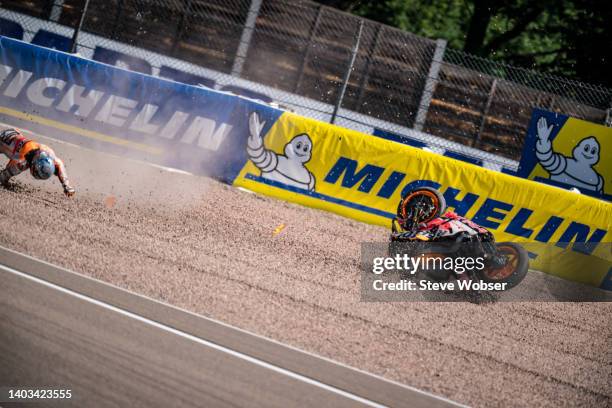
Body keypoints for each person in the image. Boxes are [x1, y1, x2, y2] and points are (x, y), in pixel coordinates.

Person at [0, 128, 75, 196]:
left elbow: (59, 164)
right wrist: (4, 180)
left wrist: (66, 185)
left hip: (14, 133)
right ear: (34, 165)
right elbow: (4, 175)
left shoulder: (48, 153)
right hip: (3, 140)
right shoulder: (22, 161)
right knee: (19, 167)